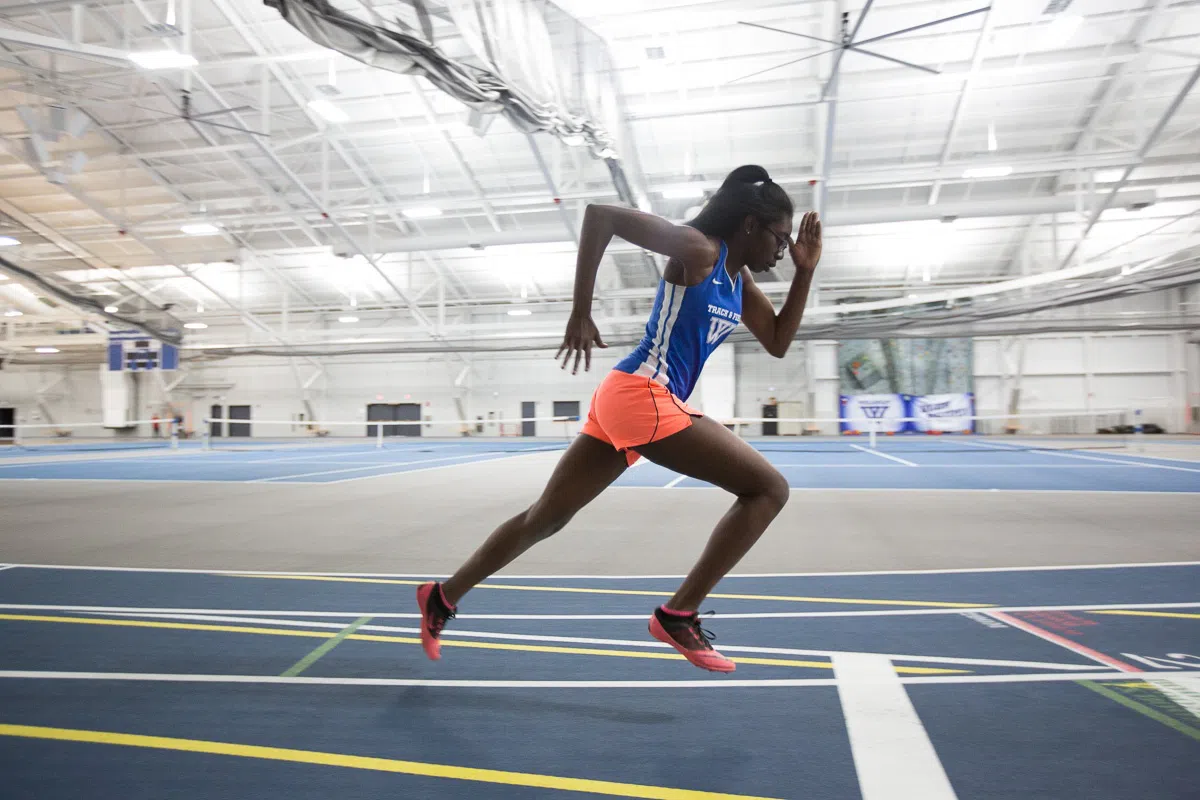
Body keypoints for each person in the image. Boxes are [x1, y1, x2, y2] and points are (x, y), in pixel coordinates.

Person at [418, 165, 822, 672]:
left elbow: (780, 342)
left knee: (546, 518)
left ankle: (441, 597)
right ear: (749, 225)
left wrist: (806, 271)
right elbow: (600, 216)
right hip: (642, 395)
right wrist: (580, 311)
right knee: (769, 490)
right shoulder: (699, 251)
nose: (783, 249)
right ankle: (678, 615)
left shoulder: (737, 282)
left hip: (635, 397)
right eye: (780, 237)